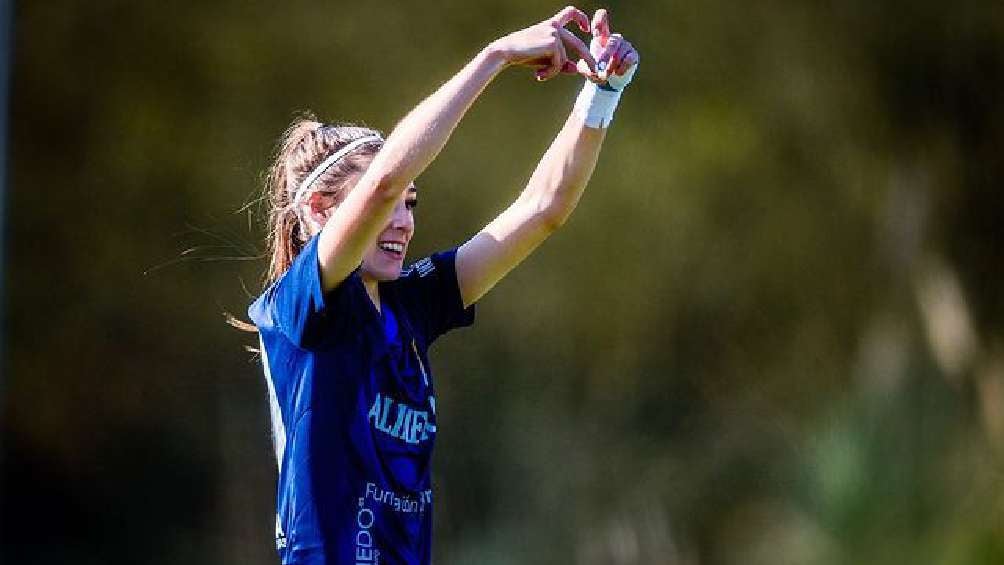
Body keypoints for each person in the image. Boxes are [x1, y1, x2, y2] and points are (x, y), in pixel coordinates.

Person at [247, 7, 639, 564]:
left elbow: (543, 208)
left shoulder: (411, 303)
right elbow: (383, 181)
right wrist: (496, 56)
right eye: (389, 207)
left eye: (412, 203)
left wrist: (604, 91)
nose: (404, 221)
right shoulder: (302, 305)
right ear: (317, 211)